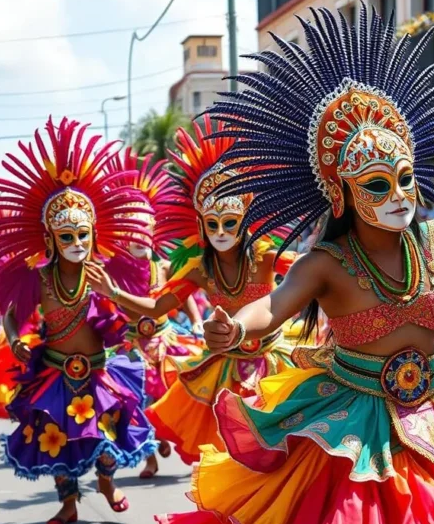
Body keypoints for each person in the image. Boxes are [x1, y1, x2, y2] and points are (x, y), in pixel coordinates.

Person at [152, 5, 434, 524]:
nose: (398, 195)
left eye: (404, 178)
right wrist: (233, 327)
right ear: (342, 193)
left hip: (433, 407)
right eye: (377, 185)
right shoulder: (326, 262)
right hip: (353, 425)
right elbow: (275, 307)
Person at [86, 117, 297, 467]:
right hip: (226, 366)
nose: (221, 231)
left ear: (245, 220)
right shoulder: (200, 268)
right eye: (212, 224)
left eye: (229, 223)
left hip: (274, 361)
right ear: (200, 224)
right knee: (232, 455)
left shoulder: (266, 256)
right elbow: (157, 307)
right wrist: (113, 291)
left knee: (282, 449)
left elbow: (310, 276)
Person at [0, 118, 157, 524]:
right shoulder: (39, 277)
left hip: (99, 373)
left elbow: (143, 308)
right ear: (50, 239)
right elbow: (11, 315)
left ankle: (107, 483)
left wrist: (118, 299)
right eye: (66, 236)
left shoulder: (104, 272)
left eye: (83, 234)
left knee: (108, 433)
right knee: (55, 440)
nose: (77, 243)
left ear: (94, 234)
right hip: (55, 372)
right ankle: (68, 503)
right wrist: (14, 339)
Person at [103, 148, 204, 478]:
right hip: (132, 346)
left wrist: (196, 319)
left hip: (165, 342)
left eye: (145, 231)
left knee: (172, 396)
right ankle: (150, 457)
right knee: (138, 401)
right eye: (133, 232)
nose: (140, 239)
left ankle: (164, 437)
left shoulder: (163, 266)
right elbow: (108, 304)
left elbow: (181, 296)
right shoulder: (115, 272)